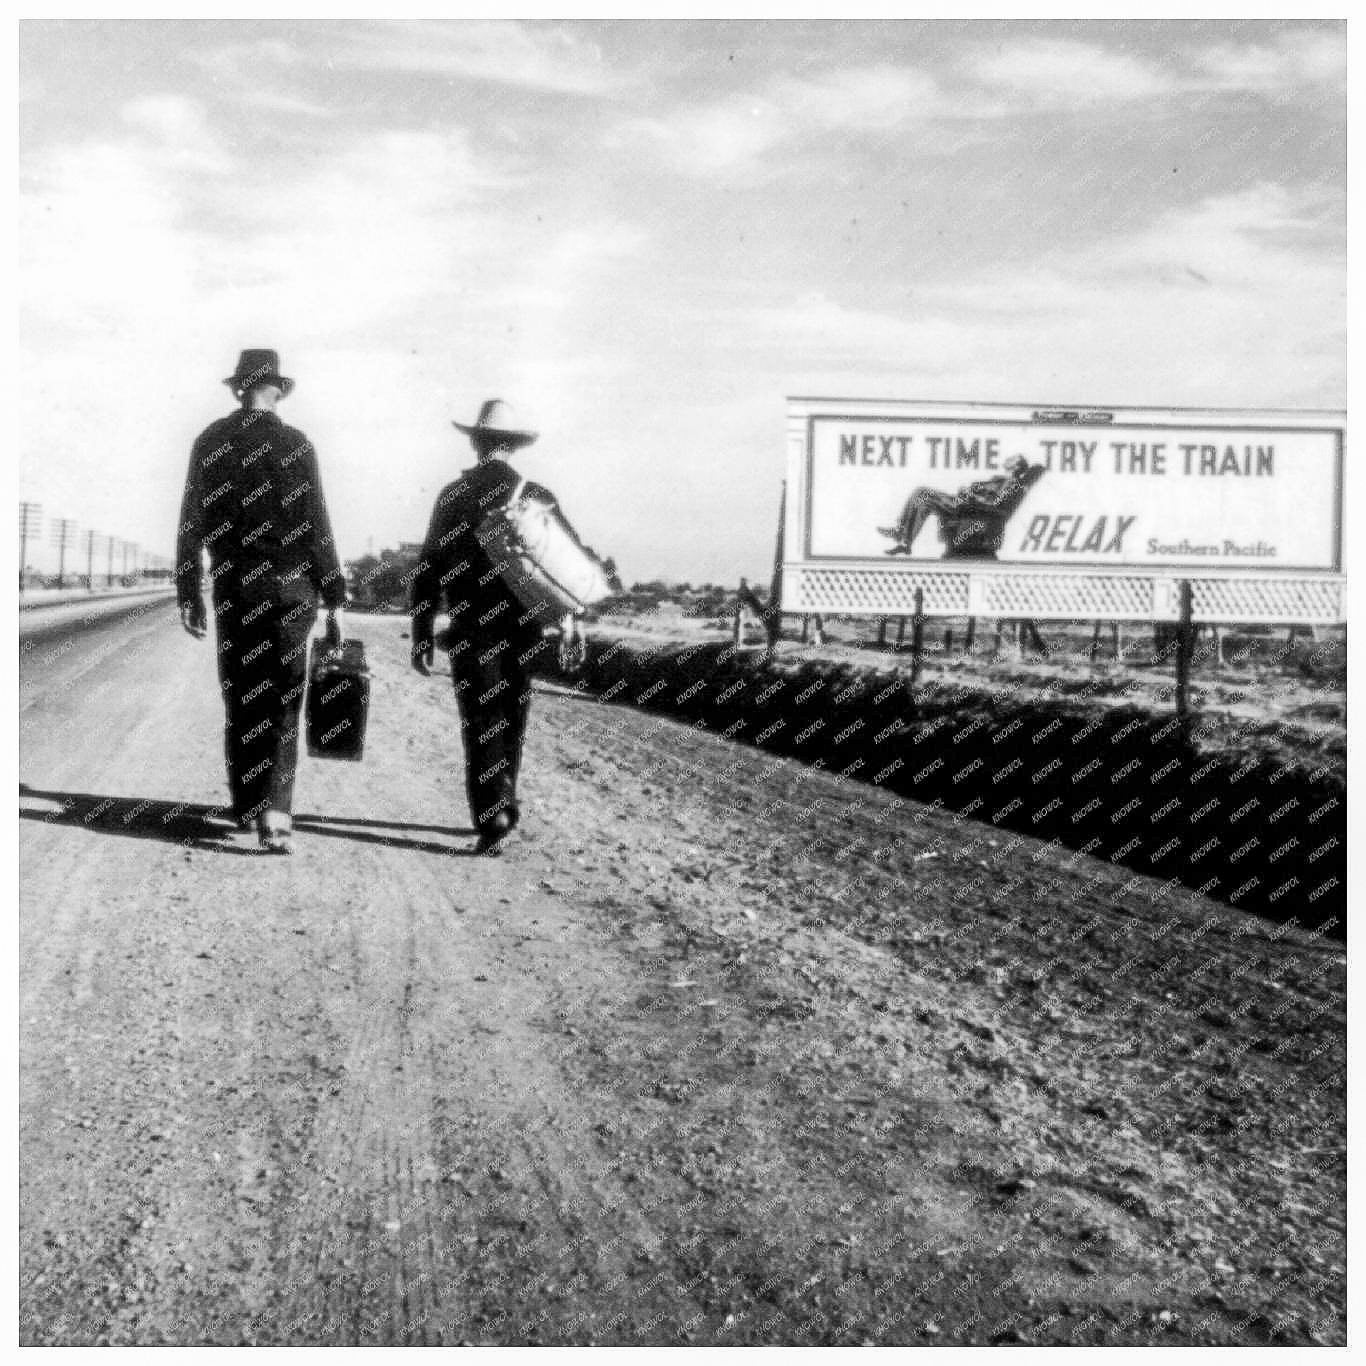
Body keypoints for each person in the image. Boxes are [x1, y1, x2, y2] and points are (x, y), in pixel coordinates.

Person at [175, 349, 345, 853]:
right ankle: (275, 812)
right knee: (284, 697)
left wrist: (189, 590)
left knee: (242, 691)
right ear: (276, 390)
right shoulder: (297, 444)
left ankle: (246, 804)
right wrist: (333, 591)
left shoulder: (210, 440)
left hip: (236, 587)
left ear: (237, 388)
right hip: (292, 589)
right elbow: (318, 522)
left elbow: (191, 521)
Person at [410, 399, 597, 856]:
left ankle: (493, 813)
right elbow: (568, 563)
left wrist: (421, 631)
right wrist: (571, 619)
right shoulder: (536, 494)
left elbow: (428, 568)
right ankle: (505, 799)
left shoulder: (453, 496)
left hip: (473, 627)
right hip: (524, 628)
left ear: (474, 442)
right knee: (513, 712)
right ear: (513, 446)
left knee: (480, 719)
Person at [879, 455, 1045, 557]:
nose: (1008, 460)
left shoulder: (1012, 483)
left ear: (1016, 466)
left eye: (1013, 459)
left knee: (922, 494)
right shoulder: (1002, 480)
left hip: (966, 506)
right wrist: (971, 491)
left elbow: (993, 503)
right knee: (922, 499)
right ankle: (904, 541)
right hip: (964, 504)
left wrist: (972, 496)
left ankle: (901, 534)